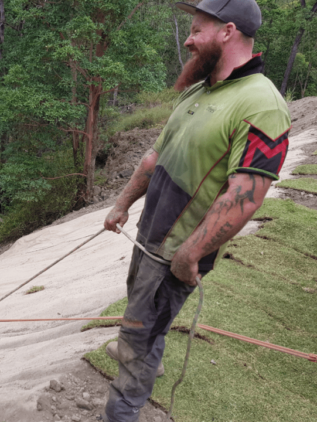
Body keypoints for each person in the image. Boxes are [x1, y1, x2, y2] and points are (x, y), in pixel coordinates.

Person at [101, 0, 290, 420]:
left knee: (135, 343)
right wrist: (122, 203)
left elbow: (247, 192)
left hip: (174, 256)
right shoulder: (198, 91)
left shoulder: (263, 103)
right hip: (148, 242)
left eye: (196, 30)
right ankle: (149, 356)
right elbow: (155, 157)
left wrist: (190, 253)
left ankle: (121, 411)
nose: (187, 40)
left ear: (227, 31)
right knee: (145, 328)